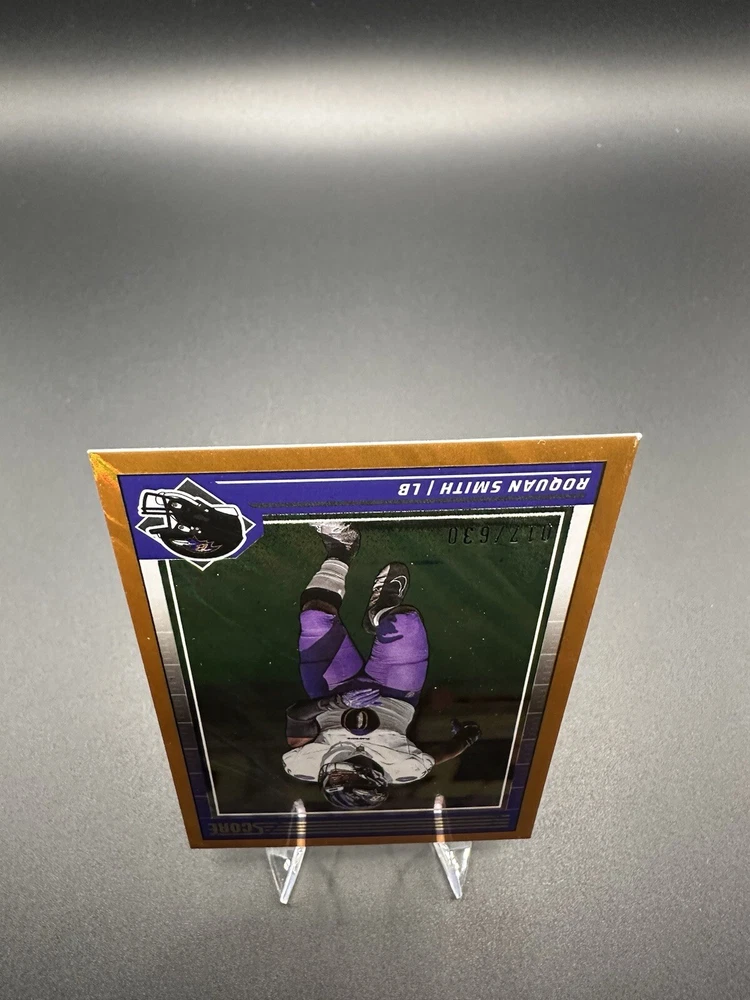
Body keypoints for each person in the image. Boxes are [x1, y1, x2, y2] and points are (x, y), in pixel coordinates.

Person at [282, 522, 481, 809]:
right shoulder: (405, 767)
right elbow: (440, 755)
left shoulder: (307, 764)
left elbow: (296, 716)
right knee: (405, 620)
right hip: (394, 692)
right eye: (341, 777)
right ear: (369, 776)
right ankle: (381, 611)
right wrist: (466, 738)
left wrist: (335, 703)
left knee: (314, 615)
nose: (332, 773)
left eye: (331, 779)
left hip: (331, 689)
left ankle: (342, 548)